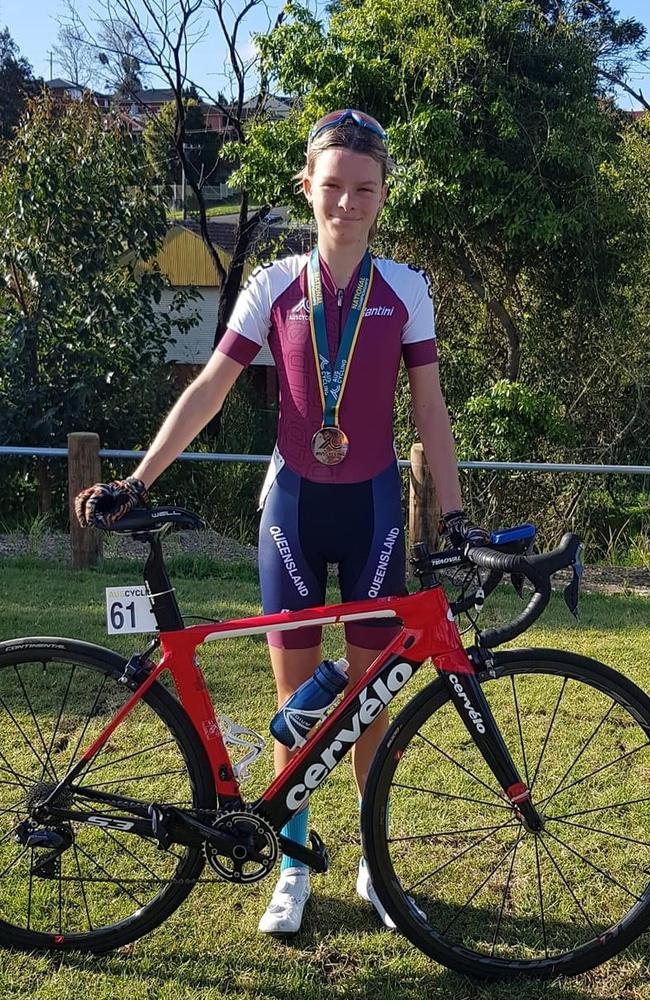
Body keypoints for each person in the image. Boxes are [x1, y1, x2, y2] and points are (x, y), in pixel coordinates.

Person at [75, 108, 487, 936]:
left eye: (363, 189)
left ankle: (375, 864)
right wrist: (139, 476)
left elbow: (431, 414)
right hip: (293, 511)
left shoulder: (405, 289)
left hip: (372, 511)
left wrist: (455, 515)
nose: (347, 204)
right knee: (297, 703)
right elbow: (209, 392)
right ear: (308, 187)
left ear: (382, 194)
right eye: (332, 187)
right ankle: (291, 869)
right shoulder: (272, 286)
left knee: (370, 702)